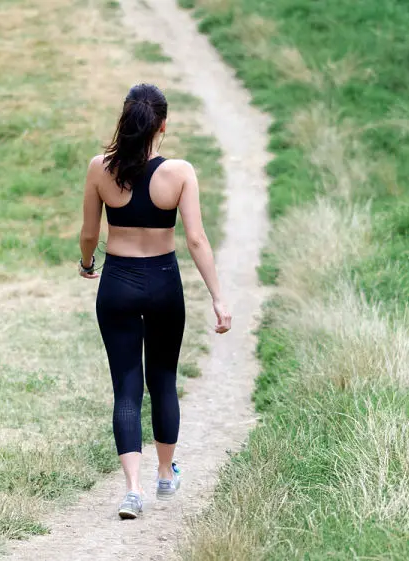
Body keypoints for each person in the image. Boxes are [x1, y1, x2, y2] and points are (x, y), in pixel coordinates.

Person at [78, 83, 231, 519]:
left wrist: (88, 261)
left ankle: (131, 490)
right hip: (163, 282)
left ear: (125, 120)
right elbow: (197, 240)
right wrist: (219, 298)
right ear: (162, 124)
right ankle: (166, 474)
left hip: (118, 283)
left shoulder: (98, 168)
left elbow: (90, 233)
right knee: (162, 379)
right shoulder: (180, 172)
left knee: (126, 387)